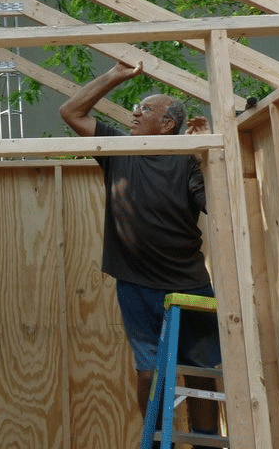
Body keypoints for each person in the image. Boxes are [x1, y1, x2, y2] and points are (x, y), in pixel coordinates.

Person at [58, 60, 222, 438]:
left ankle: (206, 445)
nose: (135, 113)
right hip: (136, 285)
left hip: (188, 284)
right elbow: (71, 111)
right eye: (136, 108)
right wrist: (115, 75)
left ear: (167, 125)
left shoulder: (185, 162)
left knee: (201, 372)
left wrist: (207, 154)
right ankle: (157, 438)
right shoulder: (119, 150)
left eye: (146, 109)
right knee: (148, 371)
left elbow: (218, 205)